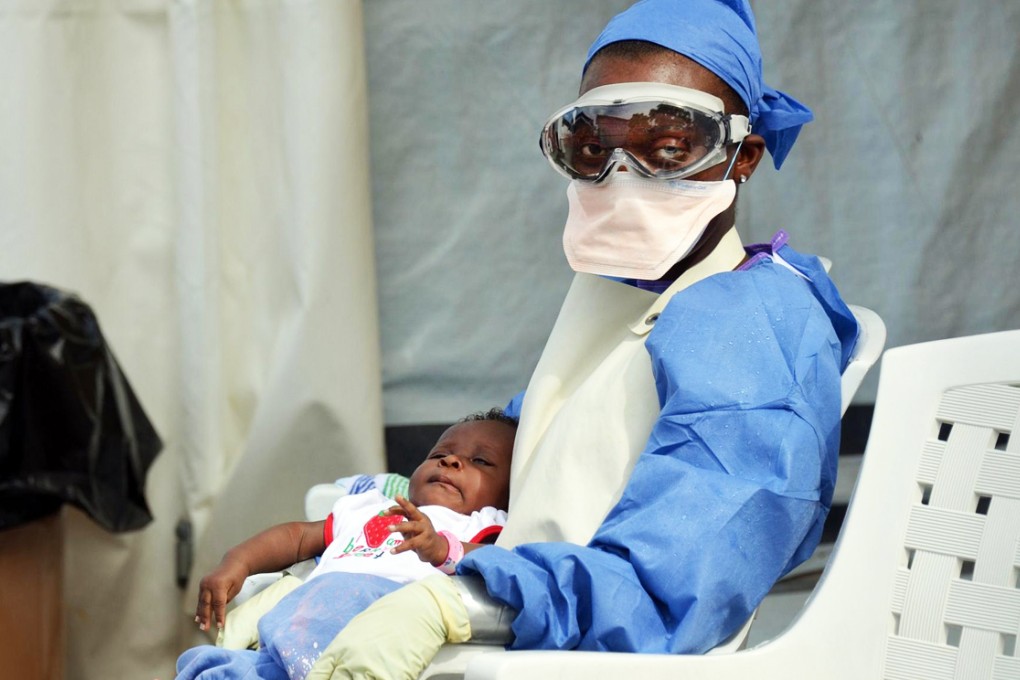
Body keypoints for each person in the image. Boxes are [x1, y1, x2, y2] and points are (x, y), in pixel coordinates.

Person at [296, 0, 862, 677]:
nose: (624, 179)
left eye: (670, 148)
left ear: (742, 157)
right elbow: (547, 433)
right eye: (593, 148)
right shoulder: (627, 284)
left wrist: (463, 602)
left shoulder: (756, 326)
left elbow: (672, 584)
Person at [175, 408, 517, 680]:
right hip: (301, 620)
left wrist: (443, 549)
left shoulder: (483, 524)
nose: (450, 461)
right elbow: (296, 537)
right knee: (223, 665)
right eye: (439, 453)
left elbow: (499, 562)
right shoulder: (370, 506)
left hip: (371, 625)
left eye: (481, 461)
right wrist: (237, 562)